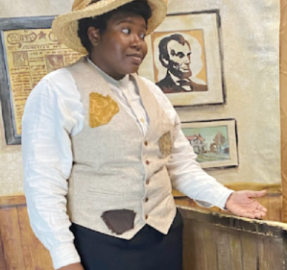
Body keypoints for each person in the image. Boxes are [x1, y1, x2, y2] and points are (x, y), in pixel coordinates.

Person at [21, 1, 267, 270]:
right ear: (94, 34)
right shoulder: (57, 90)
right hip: (100, 243)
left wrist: (226, 198)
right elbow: (44, 185)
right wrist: (64, 258)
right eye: (126, 30)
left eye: (142, 33)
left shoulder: (155, 94)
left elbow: (180, 166)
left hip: (164, 237)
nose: (138, 42)